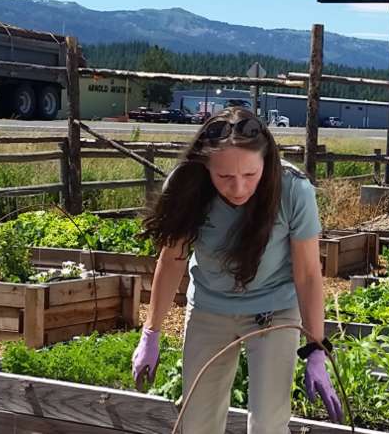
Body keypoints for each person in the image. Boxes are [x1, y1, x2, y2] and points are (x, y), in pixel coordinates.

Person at [130, 107, 342, 434]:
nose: (239, 188)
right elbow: (172, 259)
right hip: (209, 308)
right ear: (205, 167)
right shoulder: (188, 186)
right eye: (225, 177)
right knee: (197, 420)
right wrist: (151, 333)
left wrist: (317, 348)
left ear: (266, 162)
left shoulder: (293, 190)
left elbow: (309, 274)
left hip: (274, 311)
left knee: (269, 424)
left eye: (250, 175)